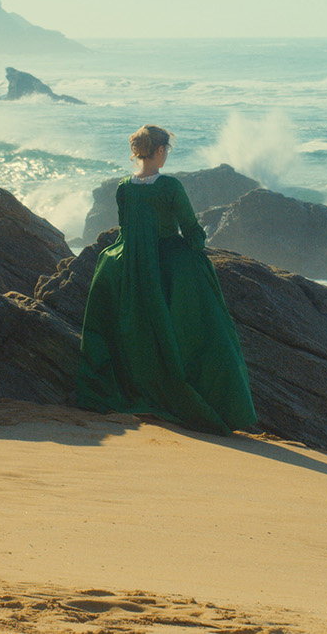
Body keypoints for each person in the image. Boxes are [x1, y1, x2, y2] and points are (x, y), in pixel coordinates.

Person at [74, 124, 258, 434]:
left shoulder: (124, 187)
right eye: (166, 151)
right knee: (211, 329)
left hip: (133, 263)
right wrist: (199, 247)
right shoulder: (170, 186)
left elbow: (126, 230)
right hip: (168, 262)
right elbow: (190, 228)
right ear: (160, 151)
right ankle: (216, 402)